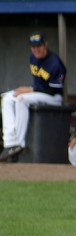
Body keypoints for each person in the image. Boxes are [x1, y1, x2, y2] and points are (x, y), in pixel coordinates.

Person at [0, 32, 67, 162]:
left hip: (54, 97)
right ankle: (10, 143)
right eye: (33, 46)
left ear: (45, 45)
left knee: (21, 99)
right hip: (37, 93)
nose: (36, 49)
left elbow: (55, 89)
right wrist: (30, 90)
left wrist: (30, 90)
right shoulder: (33, 58)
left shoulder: (56, 64)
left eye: (39, 46)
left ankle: (19, 144)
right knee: (7, 98)